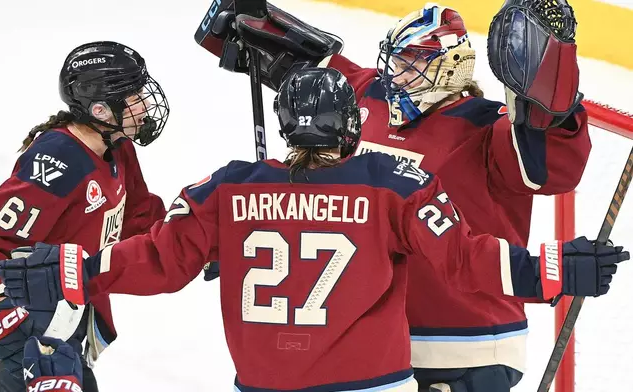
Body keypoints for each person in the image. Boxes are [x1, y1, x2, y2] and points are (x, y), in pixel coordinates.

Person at [0, 68, 627, 392]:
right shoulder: (393, 185)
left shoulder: (229, 190)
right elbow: (465, 260)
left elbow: (156, 260)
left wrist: (65, 269)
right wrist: (555, 268)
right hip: (369, 386)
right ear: (351, 124)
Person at [197, 1, 592, 390]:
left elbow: (557, 161)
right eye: (396, 61)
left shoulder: (490, 129)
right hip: (372, 345)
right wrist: (256, 20)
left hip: (467, 344)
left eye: (412, 63)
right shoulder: (368, 96)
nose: (397, 75)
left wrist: (552, 91)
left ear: (449, 68)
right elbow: (304, 66)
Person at [0, 41, 170, 392]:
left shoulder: (117, 145)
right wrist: (3, 315)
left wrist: (200, 238)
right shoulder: (58, 159)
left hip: (67, 320)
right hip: (26, 335)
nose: (146, 105)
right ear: (101, 109)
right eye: (134, 97)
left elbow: (139, 217)